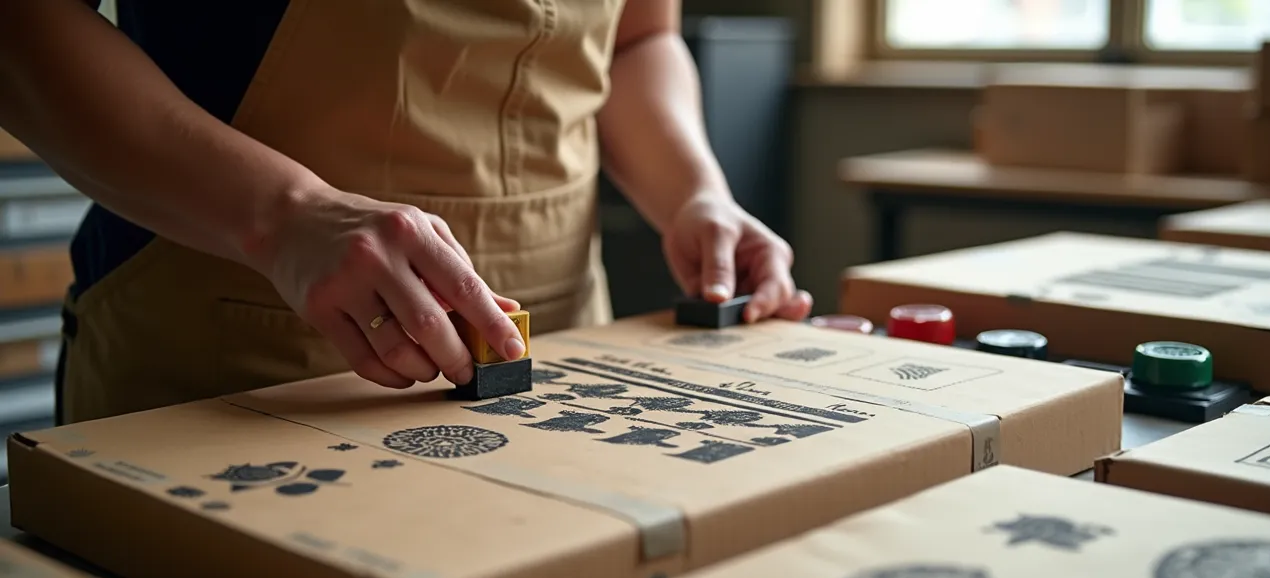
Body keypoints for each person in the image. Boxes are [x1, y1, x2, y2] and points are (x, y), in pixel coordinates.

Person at [0, 0, 813, 426]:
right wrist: (285, 215)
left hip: (570, 341)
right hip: (236, 353)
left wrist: (694, 190)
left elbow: (637, 39)